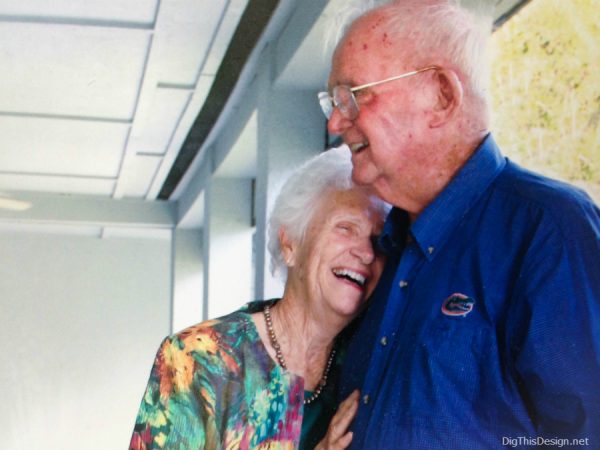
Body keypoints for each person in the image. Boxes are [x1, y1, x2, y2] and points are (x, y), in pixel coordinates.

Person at [316, 0, 600, 449]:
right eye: (333, 100)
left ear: (441, 97)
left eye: (354, 95)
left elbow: (583, 439)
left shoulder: (548, 232)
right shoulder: (385, 246)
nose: (335, 121)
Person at [128, 146, 388, 450]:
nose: (367, 253)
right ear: (290, 242)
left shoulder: (372, 361)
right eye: (346, 228)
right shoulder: (196, 359)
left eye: (379, 240)